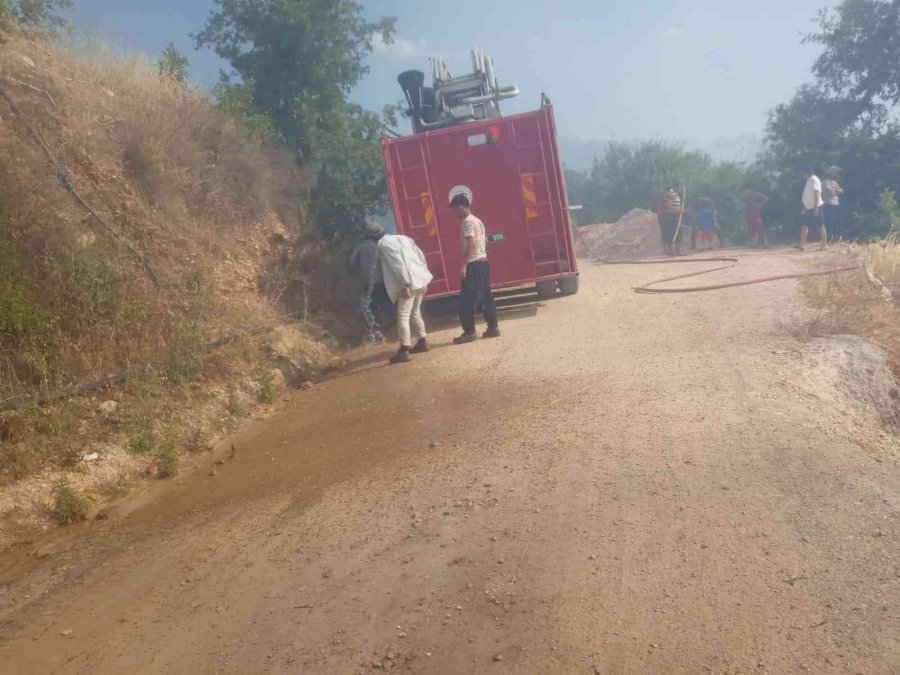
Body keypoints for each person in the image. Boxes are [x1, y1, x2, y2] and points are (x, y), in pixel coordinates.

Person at [449, 193, 500, 344]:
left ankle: (469, 332)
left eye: (455, 210)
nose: (455, 214)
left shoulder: (467, 222)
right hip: (483, 263)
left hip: (474, 264)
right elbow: (482, 242)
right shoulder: (478, 221)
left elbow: (471, 243)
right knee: (486, 296)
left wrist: (464, 265)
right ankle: (493, 327)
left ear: (461, 207)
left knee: (467, 299)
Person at [376, 232, 433, 364]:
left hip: (408, 283)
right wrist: (424, 278)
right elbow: (420, 256)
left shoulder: (384, 245)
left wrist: (404, 285)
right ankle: (422, 341)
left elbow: (398, 264)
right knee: (415, 312)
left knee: (403, 315)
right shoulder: (405, 238)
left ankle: (404, 350)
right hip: (419, 278)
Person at [349, 223, 392, 343]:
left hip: (367, 282)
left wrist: (359, 270)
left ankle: (377, 327)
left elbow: (351, 262)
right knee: (384, 303)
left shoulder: (360, 247)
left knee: (370, 306)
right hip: (382, 281)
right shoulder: (381, 246)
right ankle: (384, 327)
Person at [799, 166, 827, 251]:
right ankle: (802, 244)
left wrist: (816, 207)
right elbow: (807, 194)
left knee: (820, 225)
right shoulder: (809, 180)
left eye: (802, 173)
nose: (801, 175)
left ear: (806, 172)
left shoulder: (814, 179)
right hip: (808, 207)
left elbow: (817, 193)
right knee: (804, 225)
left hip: (815, 206)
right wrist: (804, 206)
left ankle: (824, 244)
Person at [658, 185, 684, 256]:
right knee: (671, 234)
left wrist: (680, 210)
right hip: (670, 216)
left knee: (678, 233)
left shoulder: (677, 196)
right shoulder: (670, 194)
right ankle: (671, 252)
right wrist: (678, 210)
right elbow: (668, 206)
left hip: (676, 216)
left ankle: (677, 251)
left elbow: (677, 205)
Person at [822, 166, 845, 241]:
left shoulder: (834, 182)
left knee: (836, 221)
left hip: (836, 203)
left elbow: (842, 191)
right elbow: (830, 193)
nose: (836, 175)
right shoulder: (825, 182)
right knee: (829, 221)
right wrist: (836, 191)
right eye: (835, 173)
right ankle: (829, 237)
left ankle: (835, 236)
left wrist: (835, 190)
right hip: (828, 204)